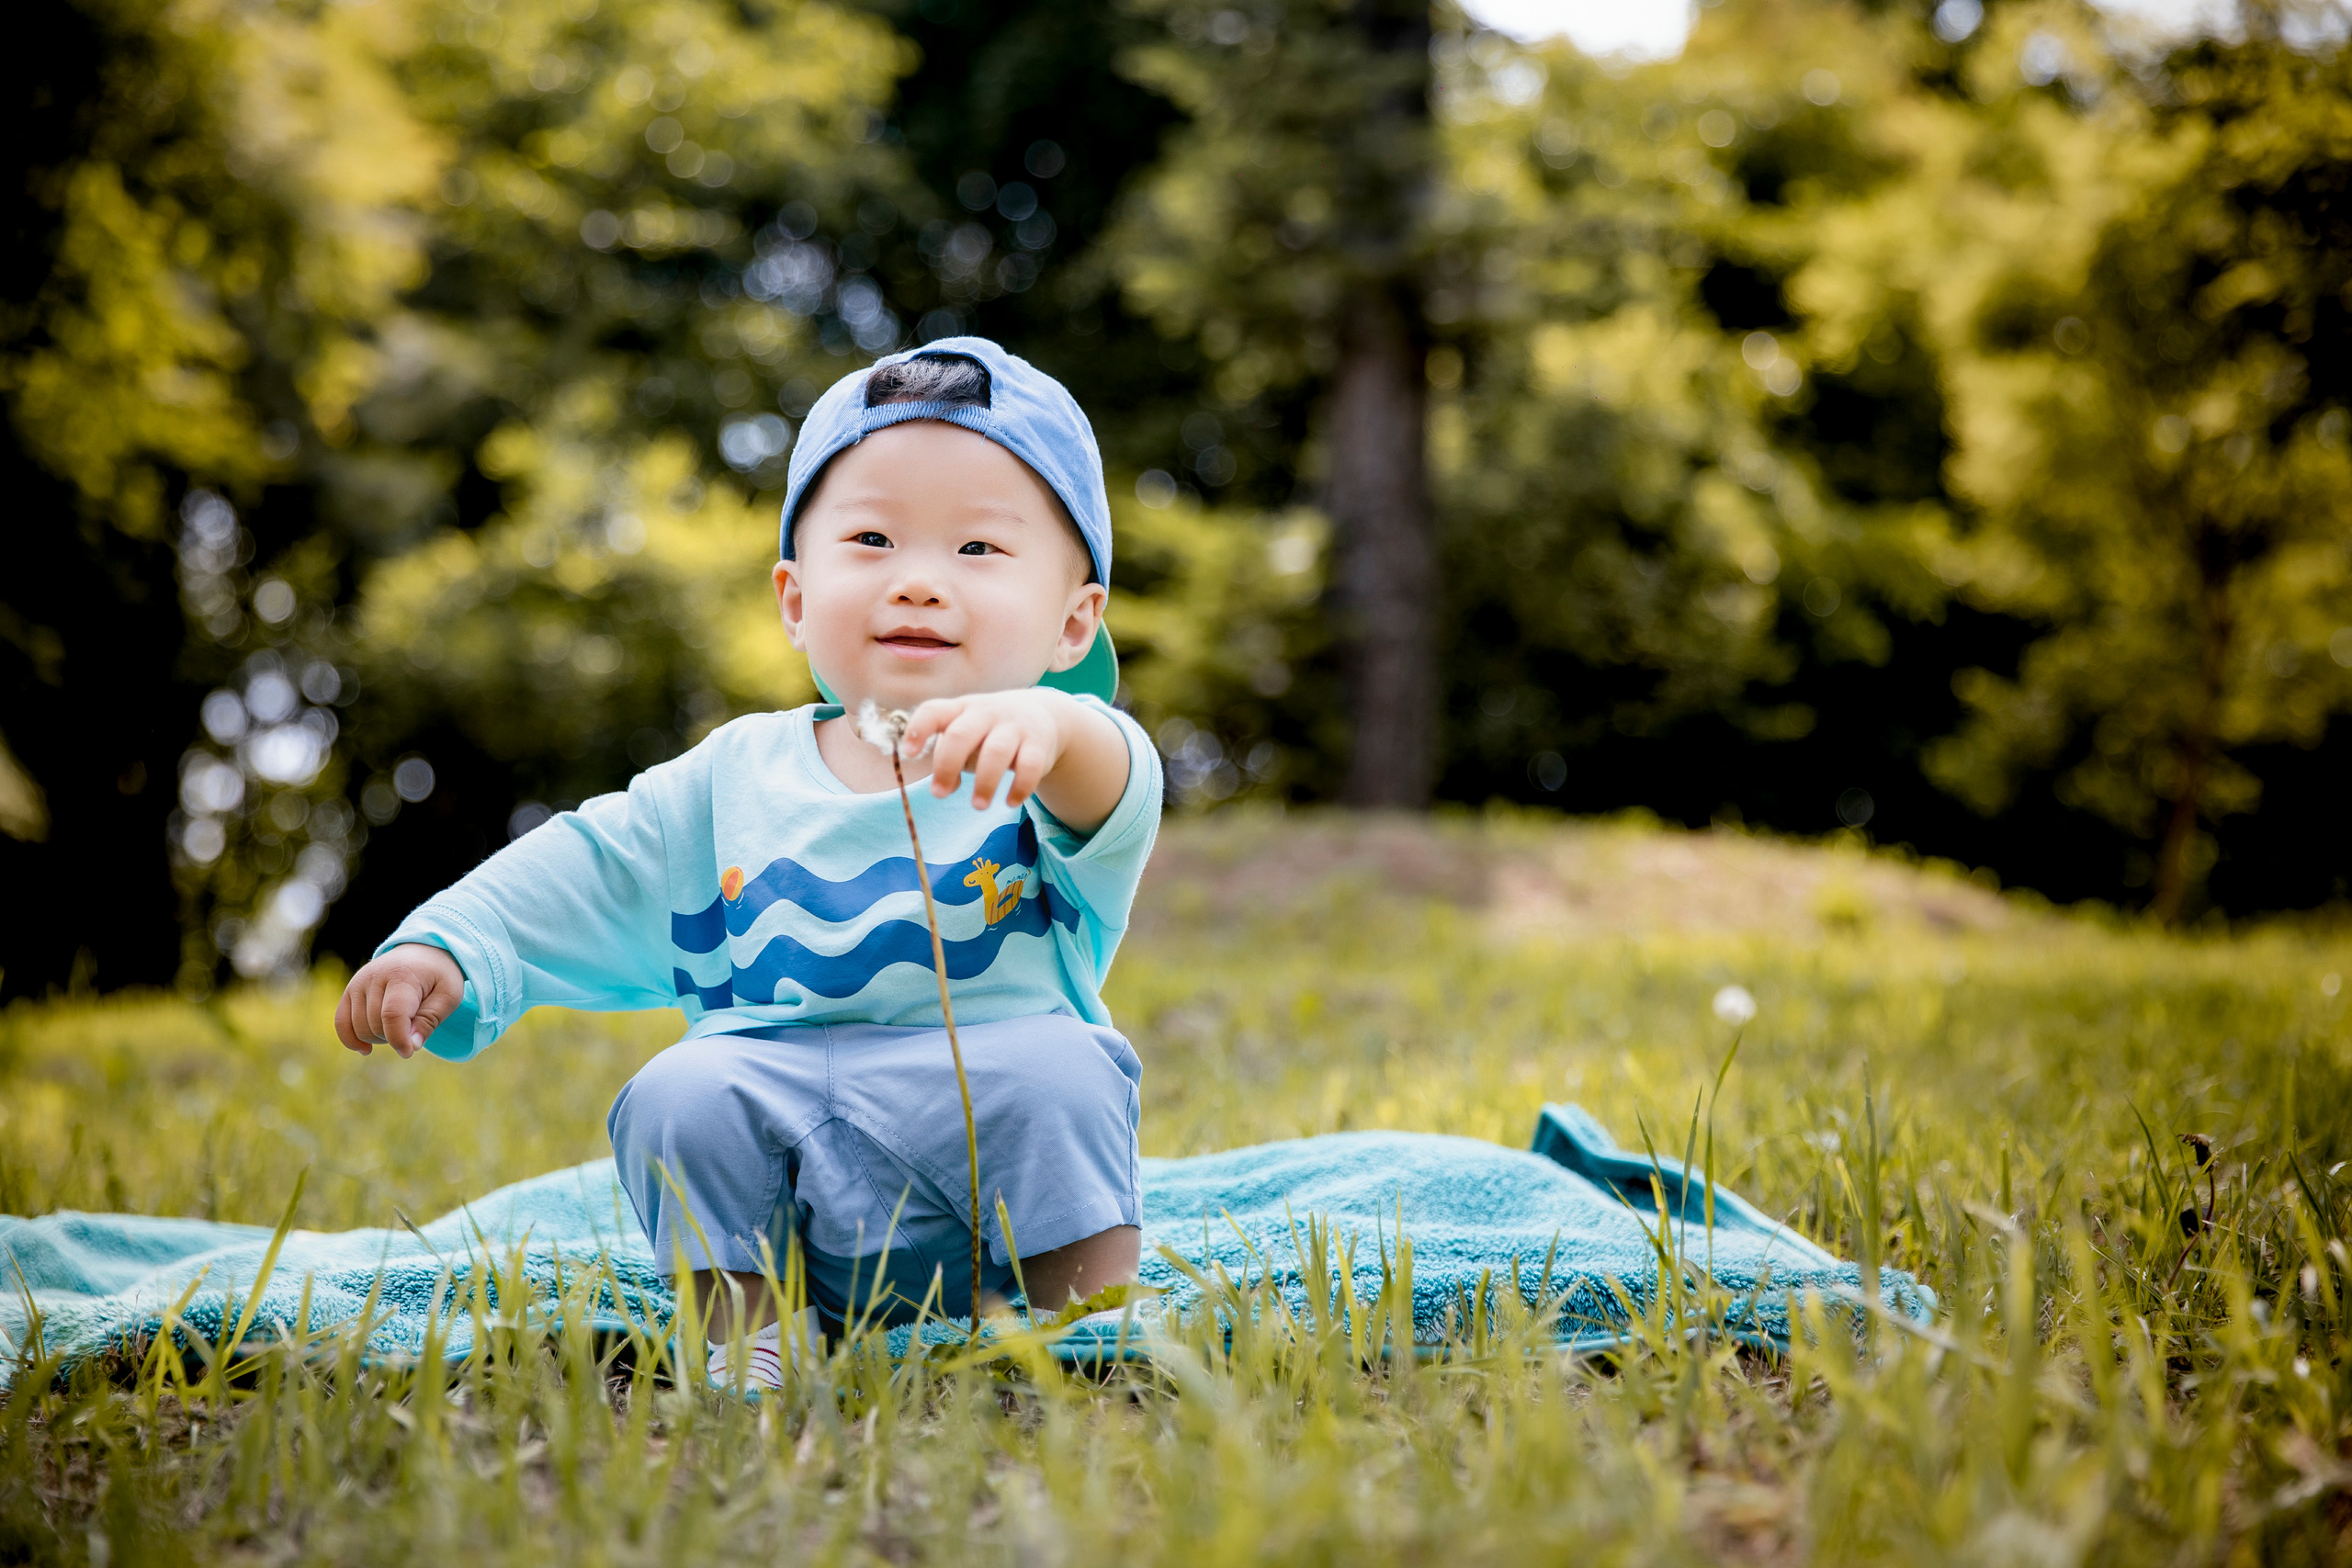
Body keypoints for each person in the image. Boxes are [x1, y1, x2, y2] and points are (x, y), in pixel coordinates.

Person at [332, 339, 1163, 1390]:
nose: (917, 581)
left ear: (1073, 620)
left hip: (989, 1132)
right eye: (870, 538)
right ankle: (749, 1335)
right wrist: (450, 945)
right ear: (796, 598)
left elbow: (1115, 778)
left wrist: (1052, 724)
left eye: (979, 551)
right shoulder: (730, 779)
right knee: (678, 1091)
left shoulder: (1050, 760)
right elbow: (584, 866)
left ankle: (1080, 1321)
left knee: (1067, 1071)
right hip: (784, 1128)